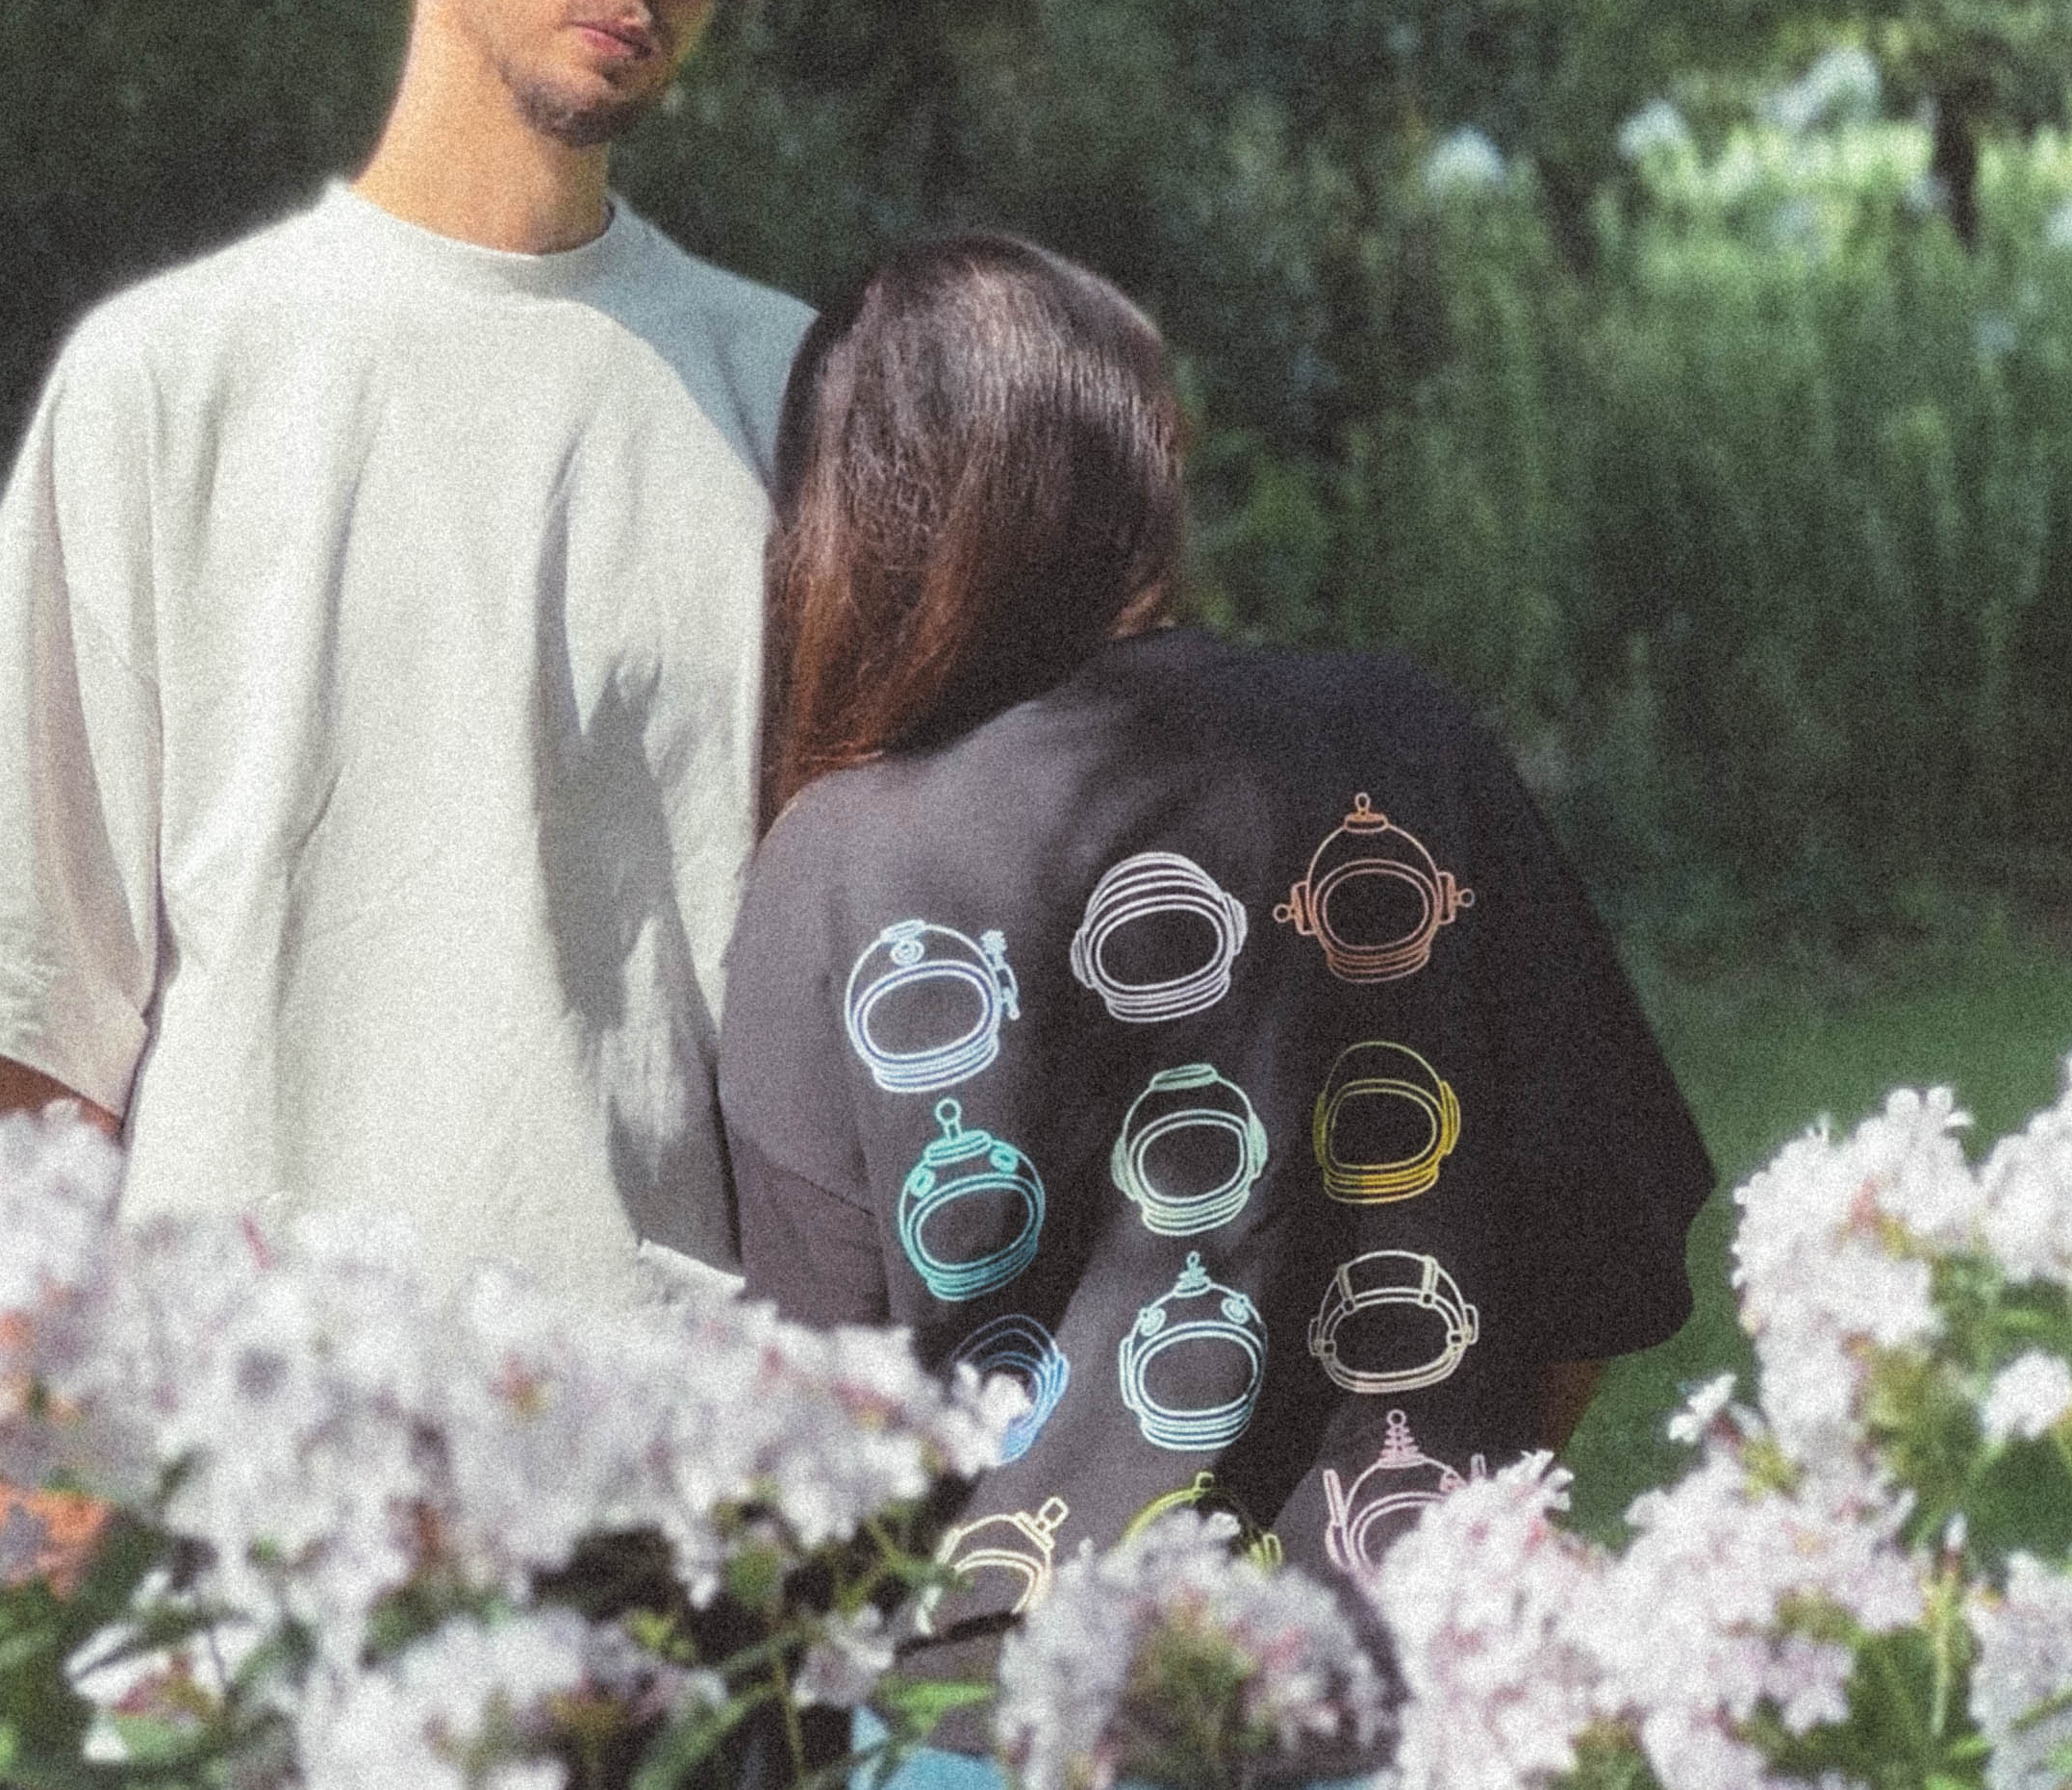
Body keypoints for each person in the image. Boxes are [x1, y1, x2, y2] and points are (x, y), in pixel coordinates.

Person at [0, 0, 809, 1305]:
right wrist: (40, 1411)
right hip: (241, 1381)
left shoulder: (794, 395)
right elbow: (45, 992)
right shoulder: (172, 373)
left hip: (654, 1395)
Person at [716, 235, 1714, 1769]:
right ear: (1146, 464)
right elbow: (1602, 1259)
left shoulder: (831, 861)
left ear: (855, 518)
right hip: (1406, 1699)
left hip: (997, 1731)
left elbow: (822, 1437)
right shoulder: (1407, 749)